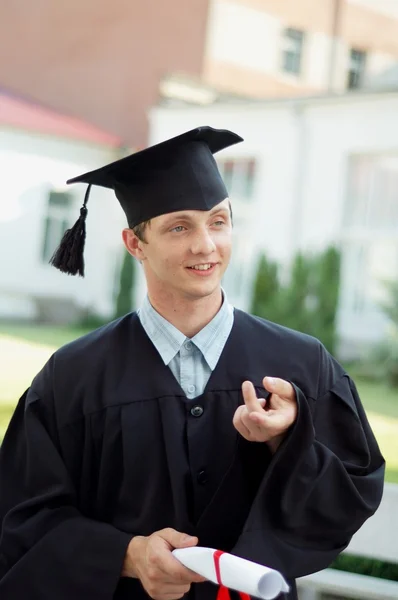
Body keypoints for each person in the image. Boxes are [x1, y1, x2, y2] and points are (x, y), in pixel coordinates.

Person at [0, 126, 384, 600]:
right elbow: (19, 518)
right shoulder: (74, 378)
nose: (206, 245)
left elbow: (349, 499)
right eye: (179, 227)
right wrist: (125, 555)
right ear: (134, 243)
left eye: (218, 221)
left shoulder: (299, 365)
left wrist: (288, 439)